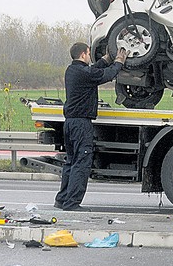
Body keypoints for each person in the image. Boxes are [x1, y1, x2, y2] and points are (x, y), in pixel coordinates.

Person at [54, 42, 127, 211]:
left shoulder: (72, 71)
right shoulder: (84, 73)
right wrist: (118, 62)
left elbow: (93, 71)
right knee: (81, 163)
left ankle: (62, 199)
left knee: (71, 162)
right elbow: (105, 75)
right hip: (81, 124)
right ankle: (72, 204)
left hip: (70, 123)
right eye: (88, 53)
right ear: (83, 55)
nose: (89, 56)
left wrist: (105, 59)